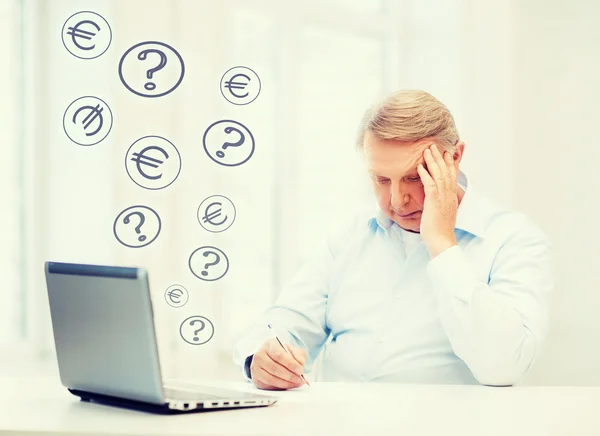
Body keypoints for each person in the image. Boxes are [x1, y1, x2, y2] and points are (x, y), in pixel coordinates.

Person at [232, 89, 553, 389]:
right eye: (382, 179)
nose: (397, 200)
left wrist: (442, 243)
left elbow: (503, 368)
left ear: (455, 158)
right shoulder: (348, 237)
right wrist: (260, 359)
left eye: (415, 177)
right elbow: (285, 324)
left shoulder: (514, 240)